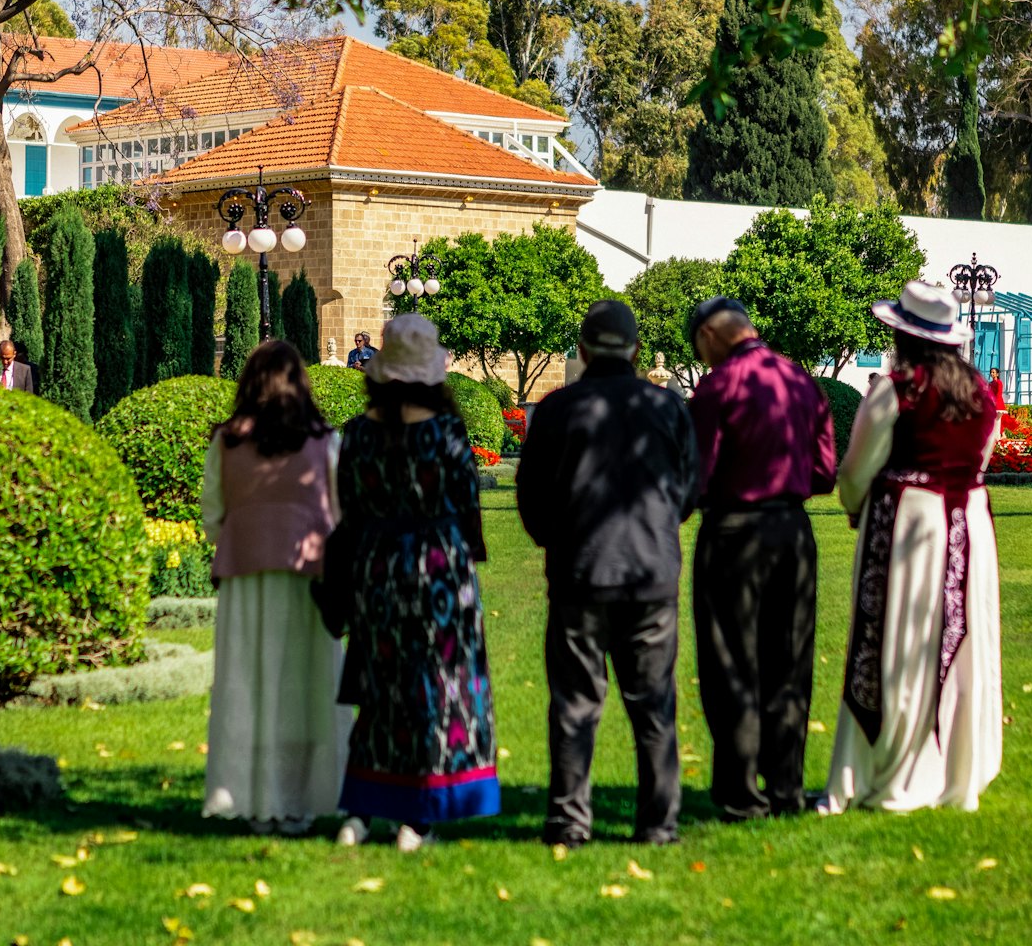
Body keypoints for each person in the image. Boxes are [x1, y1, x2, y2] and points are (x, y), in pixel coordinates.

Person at [517, 300, 699, 847]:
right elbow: (689, 490)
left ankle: (569, 820)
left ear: (582, 350)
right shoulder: (668, 407)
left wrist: (557, 539)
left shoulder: (557, 409)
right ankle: (657, 823)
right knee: (653, 704)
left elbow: (531, 495)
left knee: (575, 702)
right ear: (638, 350)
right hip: (649, 571)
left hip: (580, 570)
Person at [822, 280, 1001, 815]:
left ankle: (886, 770)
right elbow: (981, 459)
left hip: (907, 518)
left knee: (894, 642)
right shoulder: (979, 392)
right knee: (959, 642)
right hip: (969, 520)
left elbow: (856, 469)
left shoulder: (898, 387)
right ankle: (950, 771)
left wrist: (856, 503)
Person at [335, 314, 499, 851]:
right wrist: (470, 554)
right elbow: (466, 510)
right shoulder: (447, 433)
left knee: (380, 690)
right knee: (437, 687)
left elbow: (347, 511)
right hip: (438, 569)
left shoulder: (357, 434)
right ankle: (418, 818)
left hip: (376, 567)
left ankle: (359, 813)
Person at [687, 296, 836, 822]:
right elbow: (824, 471)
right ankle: (787, 789)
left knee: (732, 662)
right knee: (789, 660)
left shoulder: (718, 386)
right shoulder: (800, 381)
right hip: (792, 532)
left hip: (733, 531)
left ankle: (739, 792)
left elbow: (695, 473)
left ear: (709, 337)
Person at [201, 339, 351, 834]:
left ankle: (246, 795)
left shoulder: (227, 440)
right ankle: (299, 798)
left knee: (248, 685)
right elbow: (340, 510)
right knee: (306, 689)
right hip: (309, 573)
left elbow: (213, 513)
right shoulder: (325, 440)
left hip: (246, 576)